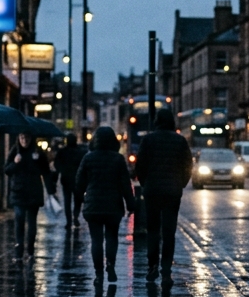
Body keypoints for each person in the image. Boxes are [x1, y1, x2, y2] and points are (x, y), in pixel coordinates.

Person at [134, 107, 193, 287]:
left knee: (153, 231)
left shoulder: (148, 140)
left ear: (157, 121)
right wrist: (181, 183)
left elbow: (140, 166)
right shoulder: (180, 141)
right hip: (172, 192)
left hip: (152, 191)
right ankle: (166, 271)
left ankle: (152, 267)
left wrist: (146, 184)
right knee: (169, 233)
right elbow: (188, 165)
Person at [75, 126, 135, 286]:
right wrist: (131, 204)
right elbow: (125, 184)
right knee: (111, 237)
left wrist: (81, 200)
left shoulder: (88, 158)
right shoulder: (118, 159)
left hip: (93, 205)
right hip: (113, 205)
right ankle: (110, 265)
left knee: (96, 240)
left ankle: (98, 274)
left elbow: (79, 182)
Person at [5, 132, 51, 259]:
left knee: (32, 222)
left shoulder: (38, 152)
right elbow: (7, 170)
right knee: (19, 220)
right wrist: (15, 162)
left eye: (27, 137)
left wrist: (37, 161)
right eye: (22, 137)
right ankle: (19, 250)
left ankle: (30, 249)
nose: (24, 140)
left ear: (32, 138)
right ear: (18, 138)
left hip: (33, 192)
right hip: (18, 192)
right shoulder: (15, 151)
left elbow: (45, 171)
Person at [54, 134, 88, 229]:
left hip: (66, 180)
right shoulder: (81, 152)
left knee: (67, 201)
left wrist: (62, 171)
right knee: (77, 200)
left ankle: (69, 221)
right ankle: (75, 217)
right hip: (77, 180)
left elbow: (57, 164)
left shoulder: (62, 152)